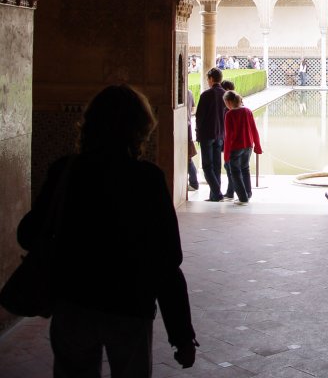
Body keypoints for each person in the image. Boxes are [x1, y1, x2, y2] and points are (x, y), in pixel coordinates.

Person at [15, 84, 198, 376]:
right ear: (141, 128)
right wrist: (181, 335)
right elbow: (166, 261)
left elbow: (27, 234)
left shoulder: (66, 171)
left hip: (73, 302)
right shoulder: (146, 179)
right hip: (129, 306)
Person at [223, 90, 263, 204]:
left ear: (228, 102)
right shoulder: (248, 111)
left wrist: (226, 155)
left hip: (235, 147)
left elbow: (228, 136)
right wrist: (257, 145)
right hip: (248, 146)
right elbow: (254, 129)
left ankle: (242, 198)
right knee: (245, 169)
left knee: (235, 172)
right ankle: (248, 193)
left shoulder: (229, 114)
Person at [196, 67, 225, 201]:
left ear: (211, 79)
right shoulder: (225, 94)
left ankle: (216, 193)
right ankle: (214, 195)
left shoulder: (206, 95)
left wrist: (198, 134)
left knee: (207, 167)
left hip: (207, 134)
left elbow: (199, 117)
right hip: (219, 134)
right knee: (217, 166)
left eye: (208, 79)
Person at [187, 88, 199, 191]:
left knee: (187, 159)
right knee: (188, 158)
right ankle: (193, 182)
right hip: (188, 125)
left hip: (184, 126)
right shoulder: (190, 92)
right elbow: (193, 108)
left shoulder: (184, 92)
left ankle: (194, 183)